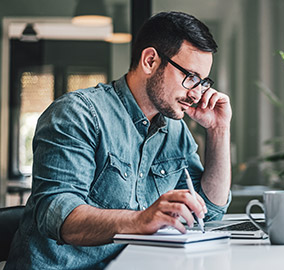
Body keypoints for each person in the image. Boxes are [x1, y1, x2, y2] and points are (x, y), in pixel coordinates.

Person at [5, 11, 231, 269]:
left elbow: (210, 211)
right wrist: (141, 220)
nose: (196, 93)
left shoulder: (176, 131)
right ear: (150, 61)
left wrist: (219, 130)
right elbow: (58, 214)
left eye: (202, 82)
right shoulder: (77, 114)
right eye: (190, 77)